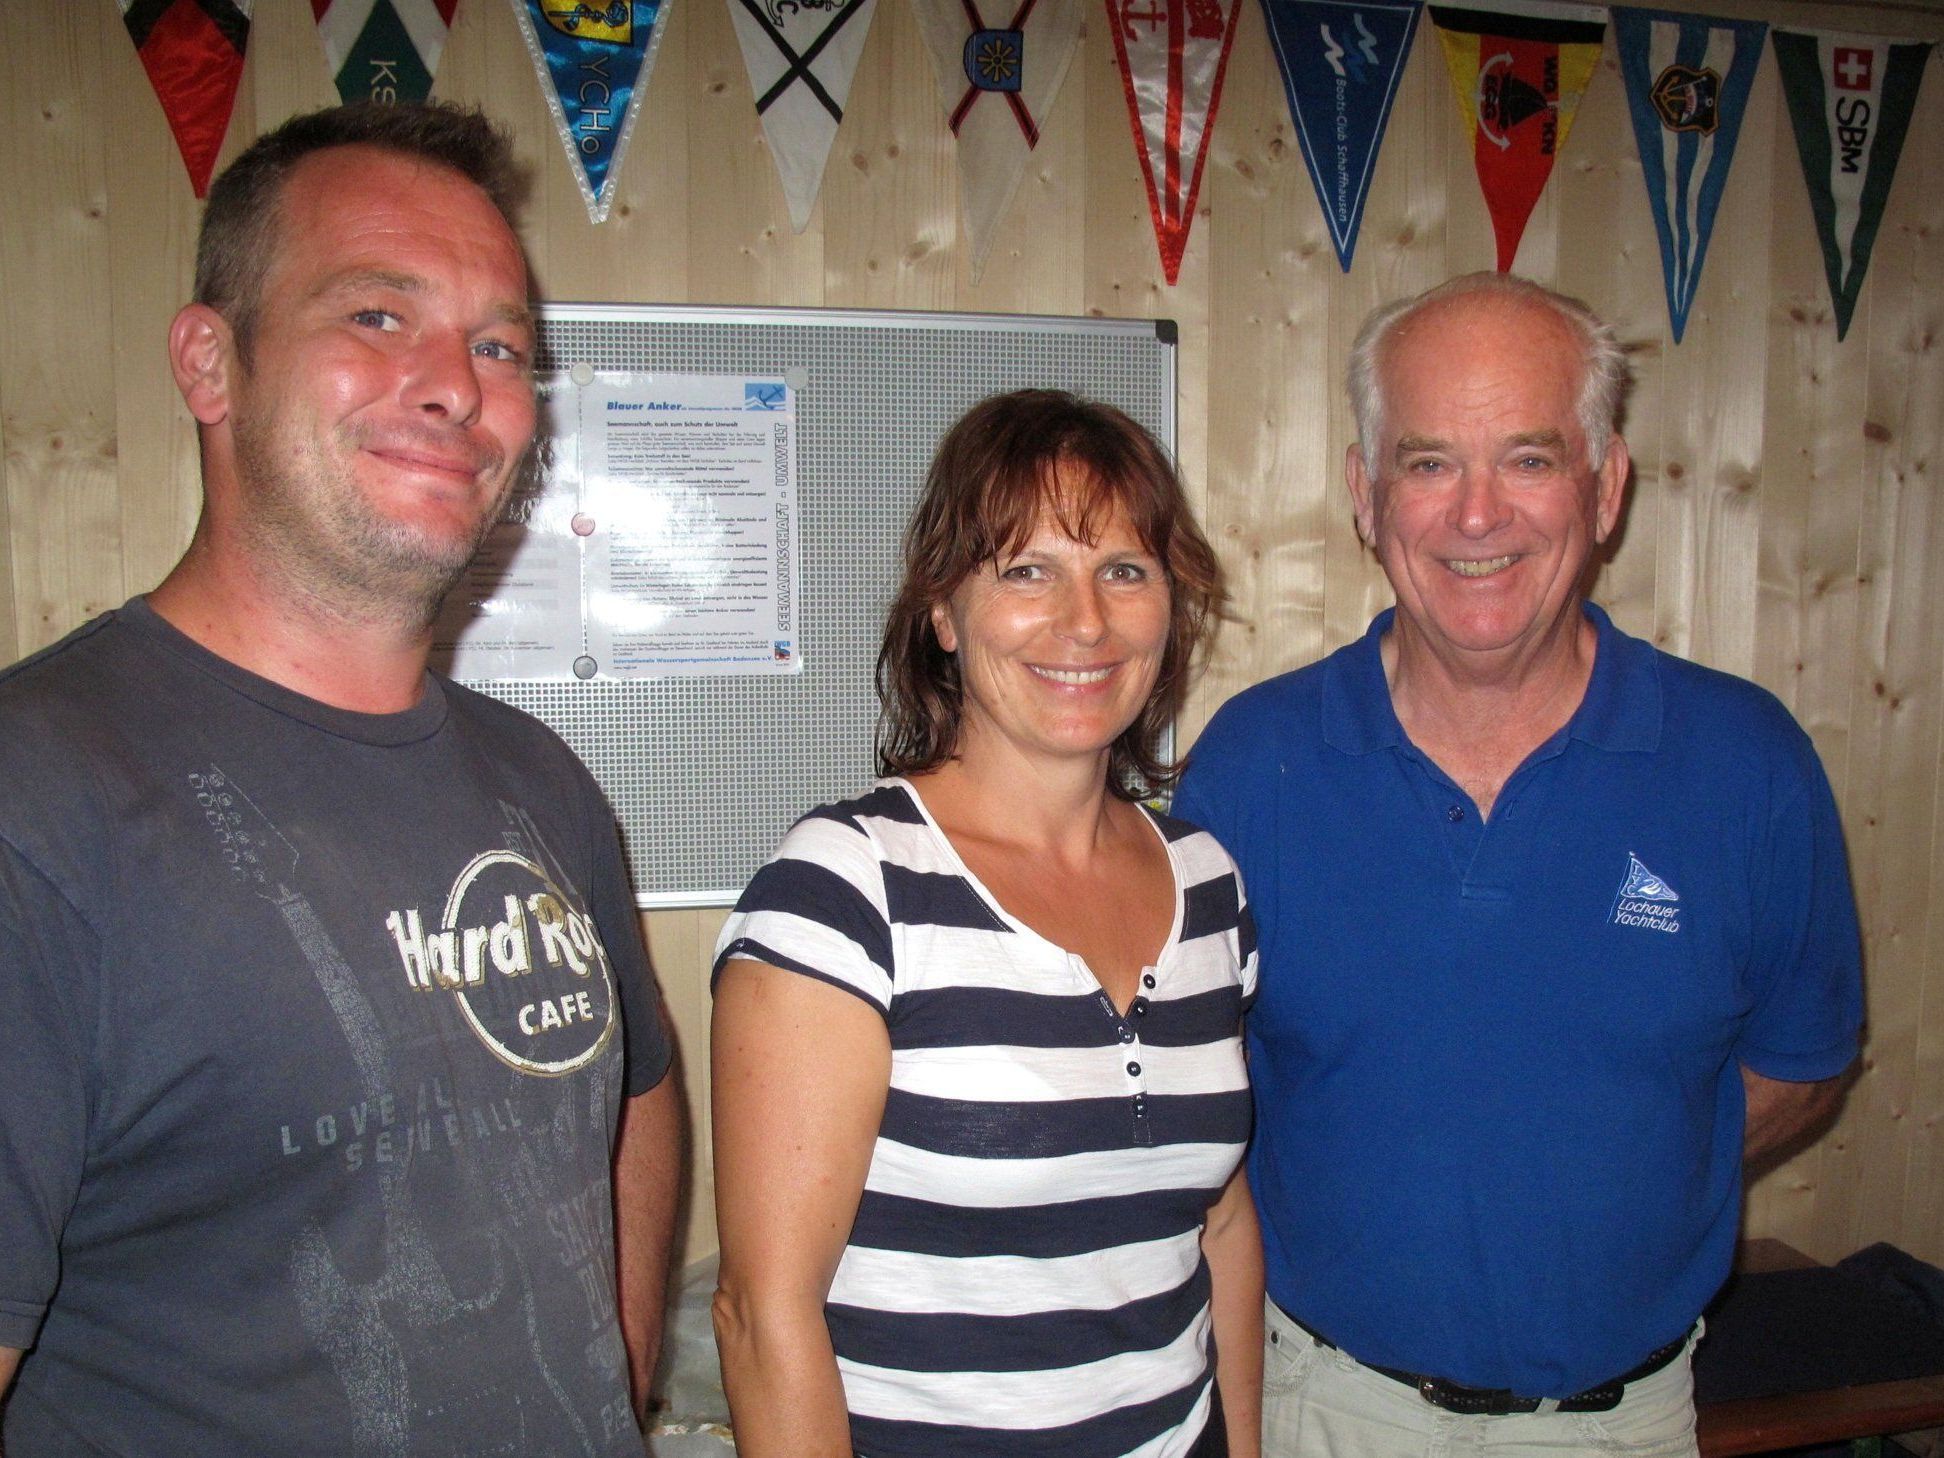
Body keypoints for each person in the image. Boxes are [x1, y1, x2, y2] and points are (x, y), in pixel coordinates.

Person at [0, 103, 681, 1455]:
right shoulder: (40, 796)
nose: (455, 384)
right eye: (378, 316)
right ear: (212, 362)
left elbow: (639, 1093)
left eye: (499, 346)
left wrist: (621, 1375)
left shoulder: (539, 781)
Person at [1174, 272, 1863, 1456]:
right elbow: (1197, 1098)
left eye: (1531, 460)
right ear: (1365, 495)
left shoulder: (1749, 765)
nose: (1477, 515)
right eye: (1430, 461)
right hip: (1323, 1413)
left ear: (1607, 488)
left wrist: (1632, 1161)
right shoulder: (1250, 768)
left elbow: (1799, 1067)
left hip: (1627, 1424)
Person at [710, 389, 1263, 1458]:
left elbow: (1220, 1224)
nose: (1086, 620)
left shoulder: (1208, 883)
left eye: (1124, 570)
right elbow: (763, 1318)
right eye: (1027, 570)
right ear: (943, 613)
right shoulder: (846, 887)